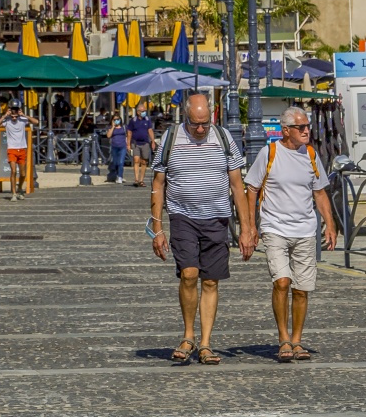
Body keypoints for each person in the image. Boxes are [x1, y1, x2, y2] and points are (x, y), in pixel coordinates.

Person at [149, 92, 253, 366]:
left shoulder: (222, 137)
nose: (199, 129)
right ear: (186, 117)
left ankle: (205, 343)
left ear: (212, 117)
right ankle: (188, 335)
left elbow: (237, 187)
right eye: (195, 123)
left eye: (204, 123)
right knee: (189, 274)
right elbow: (158, 185)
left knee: (210, 280)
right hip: (182, 217)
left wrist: (246, 229)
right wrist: (157, 230)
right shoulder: (171, 138)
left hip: (217, 219)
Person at [242, 108, 338, 362]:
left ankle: (296, 340)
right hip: (275, 228)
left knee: (302, 289)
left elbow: (319, 192)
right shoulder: (269, 153)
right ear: (286, 131)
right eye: (301, 127)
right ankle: (283, 337)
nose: (307, 130)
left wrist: (330, 224)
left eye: (308, 126)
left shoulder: (311, 154)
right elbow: (251, 189)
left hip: (305, 230)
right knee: (282, 281)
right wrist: (251, 227)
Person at [0, 103, 37, 198]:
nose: (14, 118)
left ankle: (20, 187)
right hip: (11, 148)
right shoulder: (7, 121)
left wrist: (24, 115)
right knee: (13, 171)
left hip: (22, 148)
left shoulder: (23, 120)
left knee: (23, 173)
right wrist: (4, 115)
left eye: (15, 116)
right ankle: (14, 193)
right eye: (12, 116)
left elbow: (36, 122)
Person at [128, 108, 155, 187]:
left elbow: (150, 130)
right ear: (138, 112)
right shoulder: (133, 120)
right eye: (142, 111)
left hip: (145, 143)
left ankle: (141, 180)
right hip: (135, 143)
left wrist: (153, 141)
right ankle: (136, 179)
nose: (144, 112)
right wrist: (128, 144)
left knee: (144, 162)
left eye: (144, 110)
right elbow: (129, 132)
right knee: (136, 160)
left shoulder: (147, 120)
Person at [107, 117, 129, 184]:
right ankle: (117, 175)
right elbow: (108, 136)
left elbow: (128, 135)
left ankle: (120, 176)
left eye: (118, 119)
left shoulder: (124, 127)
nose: (116, 121)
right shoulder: (110, 127)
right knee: (116, 162)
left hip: (123, 146)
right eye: (115, 120)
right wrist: (113, 127)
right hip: (114, 147)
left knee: (121, 162)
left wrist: (128, 144)